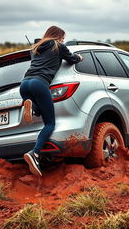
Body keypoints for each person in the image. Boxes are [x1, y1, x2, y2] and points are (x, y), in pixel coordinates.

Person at [20, 26, 83, 177]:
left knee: (40, 110)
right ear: (59, 37)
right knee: (50, 124)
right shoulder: (58, 46)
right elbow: (72, 59)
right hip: (40, 83)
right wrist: (79, 58)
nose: (63, 41)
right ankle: (35, 154)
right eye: (63, 38)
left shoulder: (34, 48)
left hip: (24, 84)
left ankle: (32, 106)